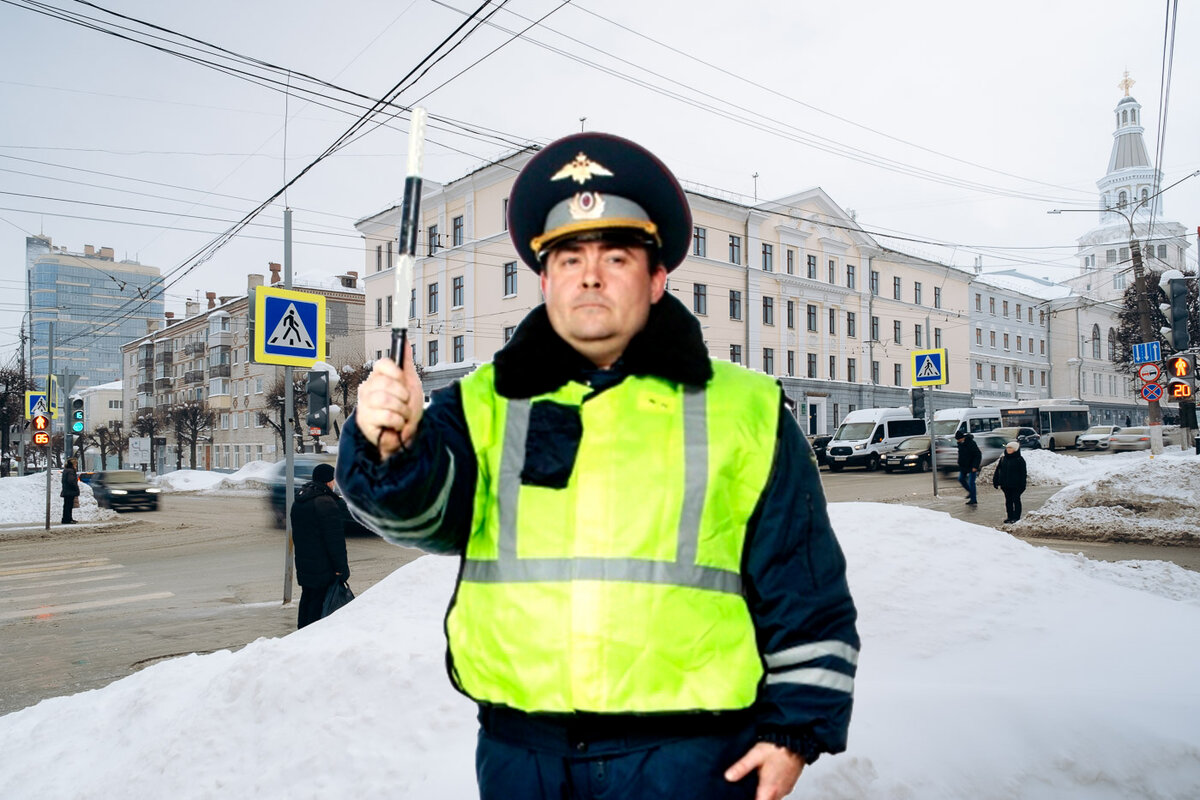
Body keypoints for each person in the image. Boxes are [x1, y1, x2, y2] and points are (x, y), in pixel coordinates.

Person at [338, 132, 859, 800]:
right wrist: (392, 445)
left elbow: (805, 584)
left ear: (658, 276)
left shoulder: (745, 409)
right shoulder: (483, 402)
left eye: (615, 256)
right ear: (545, 277)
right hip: (522, 757)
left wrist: (796, 732)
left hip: (689, 761)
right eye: (570, 257)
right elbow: (423, 520)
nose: (590, 275)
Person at [290, 462, 350, 629]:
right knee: (319, 606)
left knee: (308, 599)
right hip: (323, 567)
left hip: (305, 564)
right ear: (328, 481)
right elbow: (335, 541)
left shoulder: (300, 500)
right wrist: (341, 569)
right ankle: (311, 638)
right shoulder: (326, 503)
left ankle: (300, 634)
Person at [992, 441, 1028, 524]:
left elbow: (1023, 473)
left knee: (1016, 500)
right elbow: (998, 471)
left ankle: (1016, 517)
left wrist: (1022, 485)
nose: (1008, 449)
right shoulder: (1003, 459)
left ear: (1015, 449)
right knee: (1008, 501)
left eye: (1010, 448)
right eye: (1007, 448)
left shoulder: (1020, 460)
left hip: (1016, 485)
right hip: (1005, 485)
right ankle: (1010, 516)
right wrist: (996, 481)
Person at [955, 430, 981, 506]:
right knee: (961, 479)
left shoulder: (971, 443)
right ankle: (971, 492)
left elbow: (978, 455)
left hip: (972, 466)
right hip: (964, 466)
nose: (958, 440)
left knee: (971, 482)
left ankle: (973, 499)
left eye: (959, 439)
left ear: (962, 438)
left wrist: (975, 466)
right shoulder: (960, 444)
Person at [60, 458, 79, 524]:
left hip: (66, 490)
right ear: (73, 464)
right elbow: (71, 481)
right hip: (70, 491)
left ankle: (66, 518)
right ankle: (67, 519)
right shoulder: (71, 471)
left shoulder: (66, 470)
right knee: (69, 506)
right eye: (75, 464)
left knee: (66, 505)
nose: (76, 465)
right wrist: (75, 487)